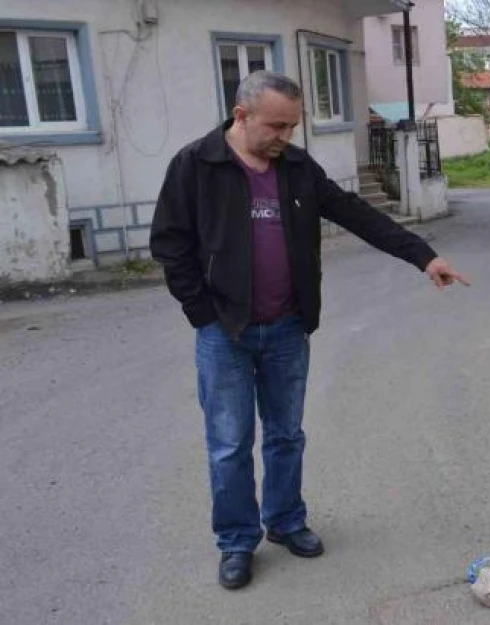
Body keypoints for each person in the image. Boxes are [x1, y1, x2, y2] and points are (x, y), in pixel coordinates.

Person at [150, 71, 469, 590]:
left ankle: (286, 521)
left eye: (292, 127)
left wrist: (423, 256)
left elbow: (355, 213)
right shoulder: (196, 164)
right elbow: (169, 243)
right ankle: (236, 542)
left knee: (285, 436)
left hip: (286, 327)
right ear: (241, 115)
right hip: (224, 331)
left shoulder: (296, 166)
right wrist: (201, 312)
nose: (285, 137)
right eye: (276, 126)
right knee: (229, 443)